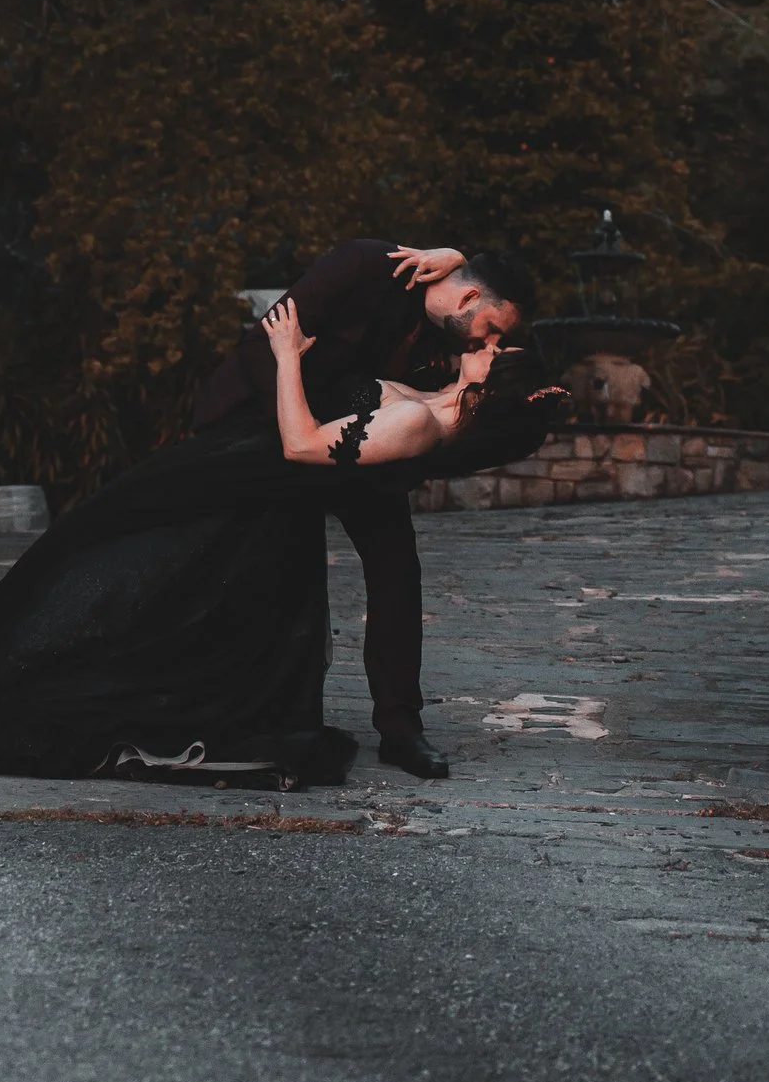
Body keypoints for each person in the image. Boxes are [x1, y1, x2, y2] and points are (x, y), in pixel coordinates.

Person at [0, 296, 565, 790]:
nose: (486, 341)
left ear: (484, 391)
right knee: (115, 564)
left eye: (497, 352)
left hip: (247, 477)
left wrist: (288, 359)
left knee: (109, 561)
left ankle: (24, 687)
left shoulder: (419, 421)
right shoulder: (434, 401)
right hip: (236, 473)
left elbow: (300, 446)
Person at [193, 240, 539, 779]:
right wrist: (289, 449)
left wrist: (460, 250)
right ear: (469, 295)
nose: (490, 342)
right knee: (268, 566)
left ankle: (401, 729)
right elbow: (272, 342)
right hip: (266, 425)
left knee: (398, 567)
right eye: (491, 330)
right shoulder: (362, 268)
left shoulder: (449, 319)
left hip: (359, 447)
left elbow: (502, 286)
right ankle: (257, 707)